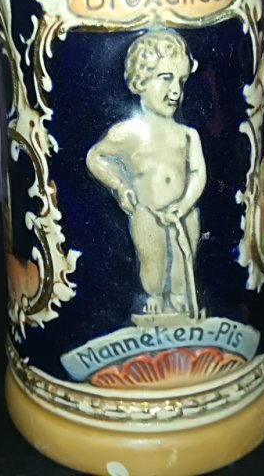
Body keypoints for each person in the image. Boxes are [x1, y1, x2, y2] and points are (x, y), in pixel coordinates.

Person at [86, 29, 207, 317]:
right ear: (140, 80)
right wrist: (119, 185)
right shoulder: (126, 133)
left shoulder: (187, 135)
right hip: (147, 212)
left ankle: (179, 301)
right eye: (165, 78)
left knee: (183, 261)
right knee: (153, 262)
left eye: (181, 81)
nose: (175, 91)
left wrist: (184, 204)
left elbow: (198, 173)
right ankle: (153, 298)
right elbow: (96, 157)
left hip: (183, 212)